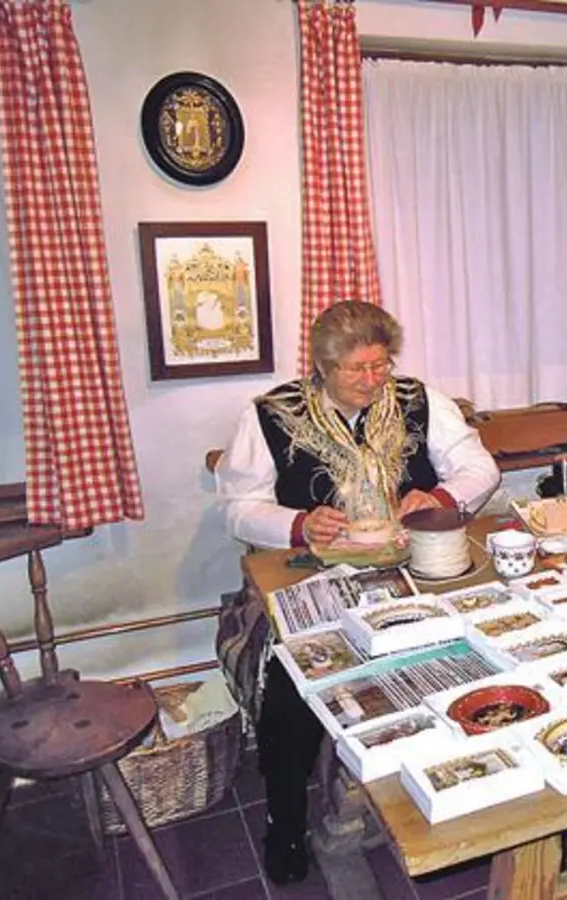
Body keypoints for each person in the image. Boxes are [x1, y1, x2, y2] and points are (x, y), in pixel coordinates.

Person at [214, 300, 500, 884]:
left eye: (381, 365)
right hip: (317, 574)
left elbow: (481, 469)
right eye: (356, 369)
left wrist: (438, 500)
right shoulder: (271, 414)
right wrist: (298, 524)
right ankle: (287, 822)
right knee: (292, 692)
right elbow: (239, 509)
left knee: (474, 654)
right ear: (321, 366)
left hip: (414, 569)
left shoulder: (421, 401)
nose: (373, 380)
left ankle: (453, 797)